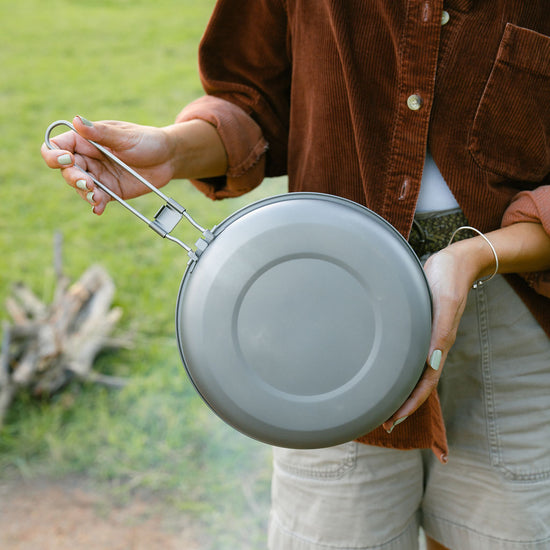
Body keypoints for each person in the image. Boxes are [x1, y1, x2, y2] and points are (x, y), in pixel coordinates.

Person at [41, 1, 550, 548]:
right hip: (323, 310)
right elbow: (254, 103)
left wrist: (471, 255)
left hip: (514, 305)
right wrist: (171, 150)